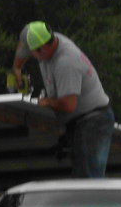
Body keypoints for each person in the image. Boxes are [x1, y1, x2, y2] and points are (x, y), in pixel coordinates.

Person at [12, 20, 115, 178]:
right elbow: (22, 42)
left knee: (87, 179)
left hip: (93, 120)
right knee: (77, 175)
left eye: (32, 52)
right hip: (80, 120)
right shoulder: (44, 39)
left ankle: (91, 201)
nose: (30, 55)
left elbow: (68, 105)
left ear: (43, 48)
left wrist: (47, 102)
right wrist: (17, 68)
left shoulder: (66, 62)